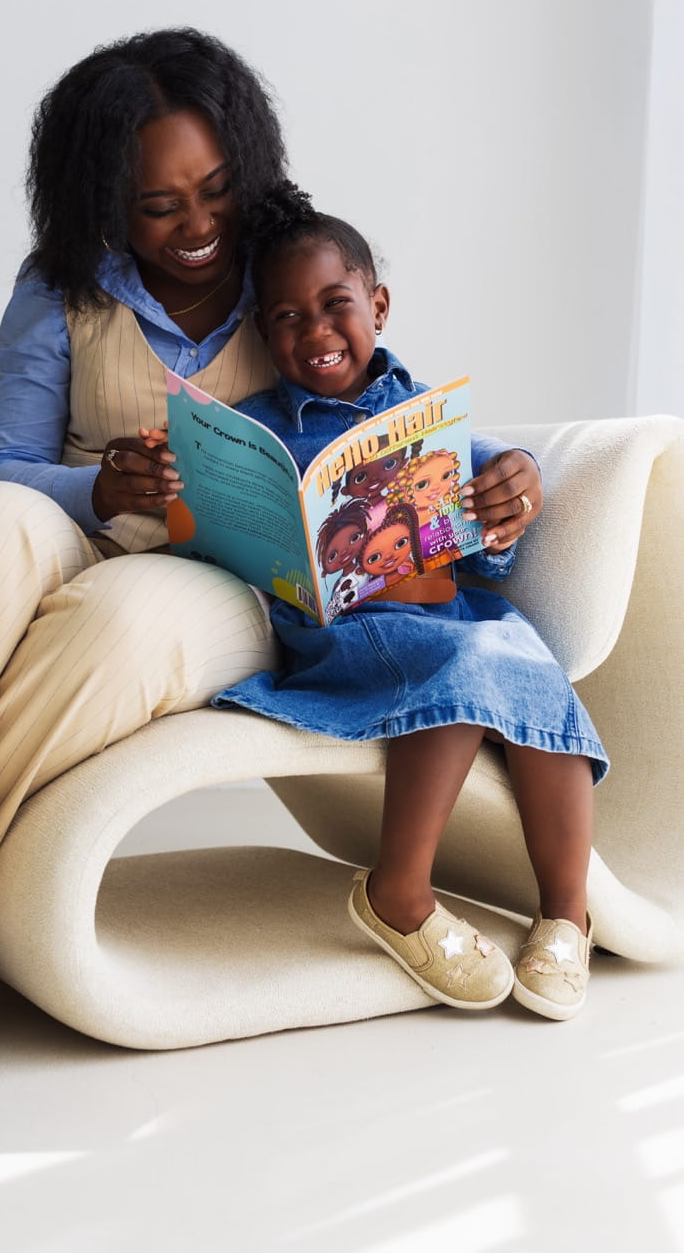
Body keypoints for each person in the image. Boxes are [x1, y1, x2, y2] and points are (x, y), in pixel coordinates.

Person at [0, 31, 544, 1065]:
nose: (199, 225)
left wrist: (496, 475)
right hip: (71, 528)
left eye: (215, 191)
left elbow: (390, 415)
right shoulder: (62, 288)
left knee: (128, 629)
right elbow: (5, 471)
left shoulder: (290, 271)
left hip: (218, 578)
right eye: (161, 206)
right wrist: (97, 484)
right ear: (103, 200)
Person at [197, 188, 605, 1020]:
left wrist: (508, 491)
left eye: (333, 306)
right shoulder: (251, 428)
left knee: (524, 667)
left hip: (453, 615)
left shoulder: (422, 419)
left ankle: (567, 913)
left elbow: (497, 502)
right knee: (461, 666)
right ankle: (400, 895)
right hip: (345, 635)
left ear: (376, 306)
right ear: (261, 333)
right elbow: (206, 531)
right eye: (284, 318)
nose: (313, 333)